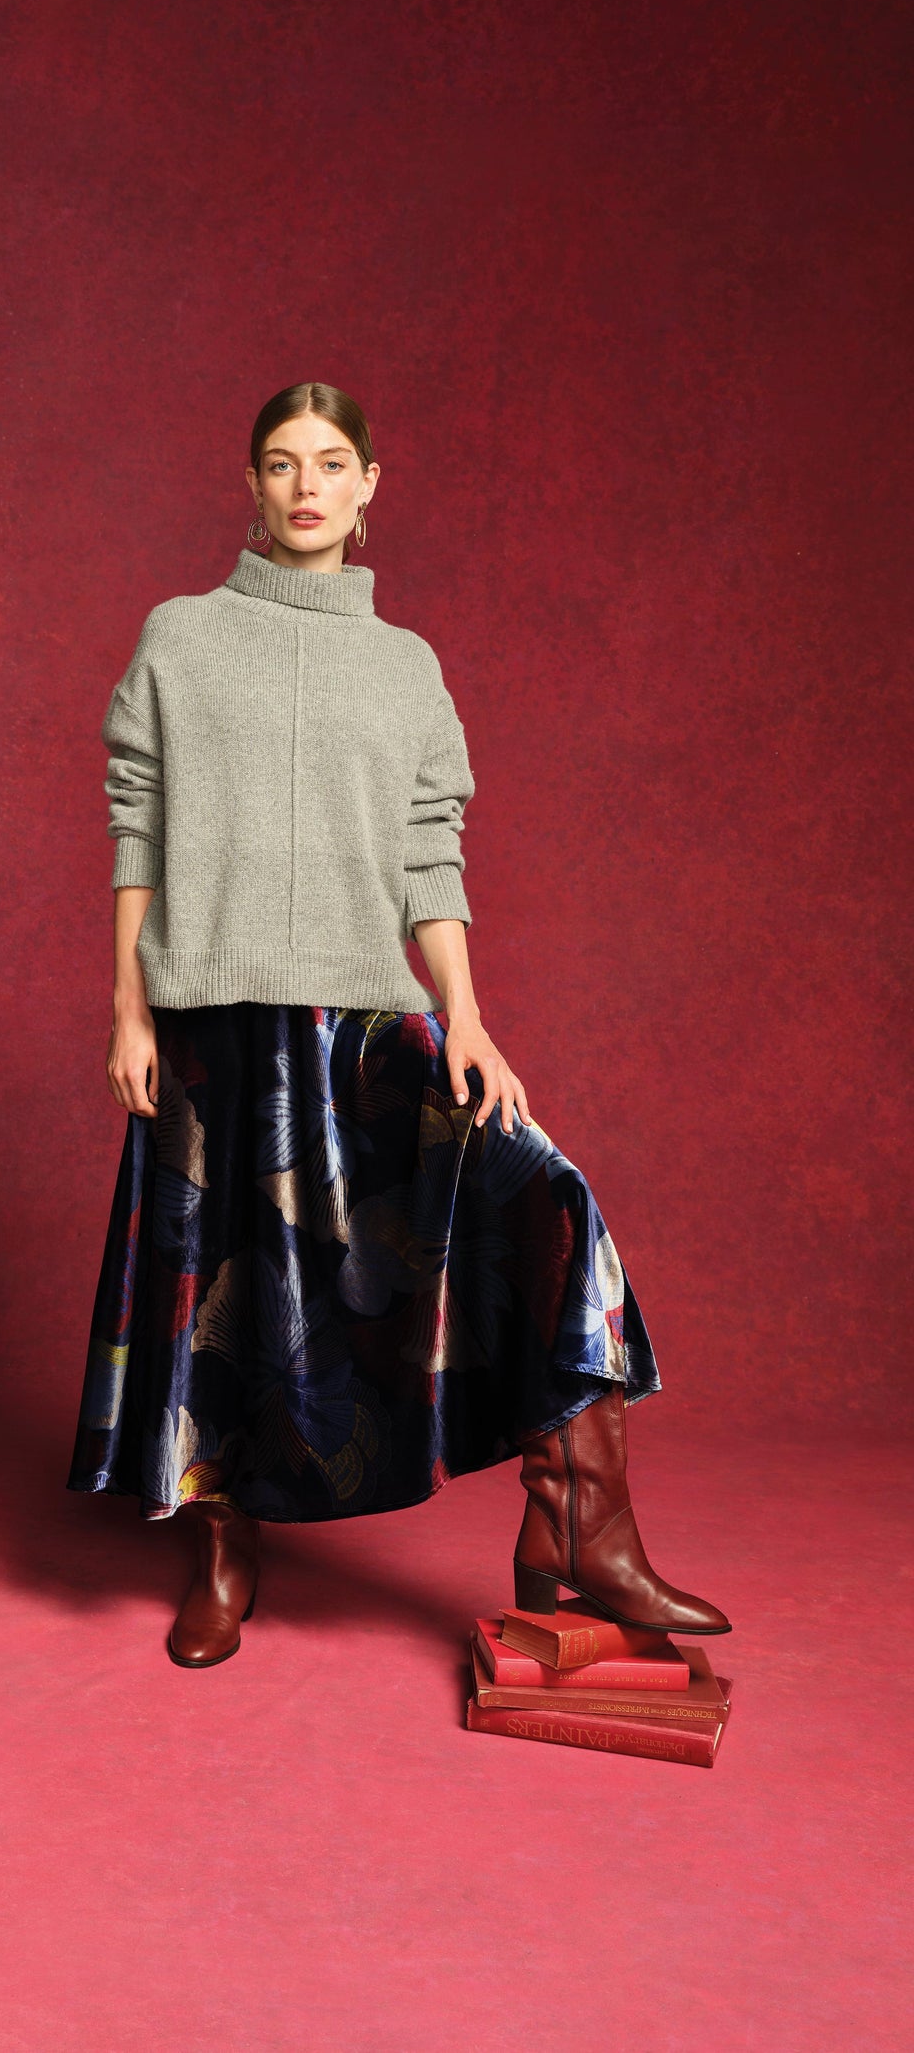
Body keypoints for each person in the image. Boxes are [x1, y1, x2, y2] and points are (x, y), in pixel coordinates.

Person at [66, 381, 729, 1669]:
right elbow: (136, 818)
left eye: (330, 463)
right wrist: (128, 1007)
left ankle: (582, 1532)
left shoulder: (406, 665)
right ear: (251, 485)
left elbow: (432, 853)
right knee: (223, 1289)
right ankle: (221, 1545)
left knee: (544, 1198)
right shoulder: (181, 637)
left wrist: (466, 1019)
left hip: (366, 1020)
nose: (305, 487)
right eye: (280, 464)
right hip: (210, 1022)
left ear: (370, 484)